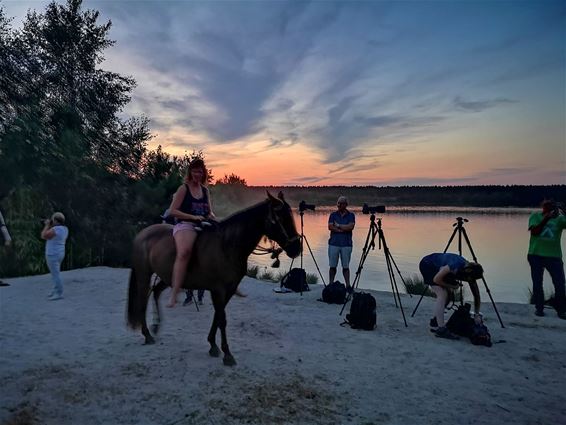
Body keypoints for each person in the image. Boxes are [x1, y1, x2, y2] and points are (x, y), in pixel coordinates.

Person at [166, 159, 215, 308]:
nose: (197, 174)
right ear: (190, 172)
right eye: (194, 171)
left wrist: (213, 217)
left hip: (203, 224)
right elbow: (172, 211)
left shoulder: (205, 190)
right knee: (184, 252)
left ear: (203, 173)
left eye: (200, 171)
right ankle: (174, 294)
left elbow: (209, 211)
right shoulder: (183, 189)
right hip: (185, 224)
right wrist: (192, 217)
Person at [419, 253, 483, 339]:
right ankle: (441, 329)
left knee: (447, 296)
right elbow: (436, 279)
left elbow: (476, 295)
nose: (469, 280)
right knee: (442, 294)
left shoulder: (471, 274)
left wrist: (476, 314)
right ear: (468, 271)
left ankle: (435, 321)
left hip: (438, 269)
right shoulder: (456, 264)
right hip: (427, 265)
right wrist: (453, 286)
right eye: (469, 279)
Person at [528, 200, 566, 319]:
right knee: (537, 283)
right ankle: (539, 308)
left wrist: (564, 211)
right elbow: (534, 232)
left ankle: (561, 309)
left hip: (554, 256)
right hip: (536, 255)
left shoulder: (560, 219)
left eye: (552, 208)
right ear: (542, 207)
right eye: (547, 207)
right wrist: (546, 219)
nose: (549, 210)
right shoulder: (535, 216)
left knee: (560, 284)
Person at [328, 196, 355, 293]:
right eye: (338, 203)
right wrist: (343, 229)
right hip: (334, 243)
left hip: (346, 244)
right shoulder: (333, 215)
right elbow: (330, 227)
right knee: (332, 266)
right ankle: (331, 283)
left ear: (346, 204)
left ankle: (348, 285)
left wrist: (338, 226)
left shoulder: (351, 215)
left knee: (346, 266)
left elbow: (350, 227)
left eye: (341, 203)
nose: (339, 205)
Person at [40, 212, 69, 301]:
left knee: (56, 274)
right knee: (55, 273)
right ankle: (55, 289)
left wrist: (47, 225)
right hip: (59, 253)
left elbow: (43, 235)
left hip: (53, 254)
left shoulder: (56, 229)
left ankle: (59, 293)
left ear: (56, 220)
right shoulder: (64, 229)